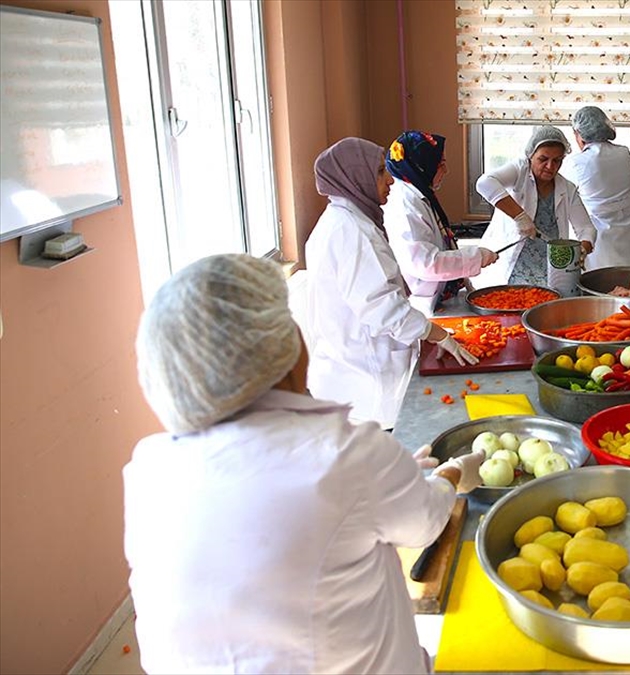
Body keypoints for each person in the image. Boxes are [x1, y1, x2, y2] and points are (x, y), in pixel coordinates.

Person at [126, 253, 487, 674]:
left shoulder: (149, 470)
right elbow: (424, 523)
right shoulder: (347, 456)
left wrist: (396, 472)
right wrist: (452, 473)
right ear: (281, 347)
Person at [304, 137, 476, 430]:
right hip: (365, 381)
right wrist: (435, 333)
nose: (391, 181)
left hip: (354, 370)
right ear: (356, 178)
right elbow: (383, 308)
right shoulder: (352, 233)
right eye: (381, 173)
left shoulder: (345, 221)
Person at [383, 131, 498, 316]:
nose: (446, 171)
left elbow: (440, 244)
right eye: (441, 165)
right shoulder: (404, 204)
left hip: (436, 295)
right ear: (422, 166)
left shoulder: (419, 193)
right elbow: (425, 263)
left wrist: (465, 275)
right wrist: (476, 257)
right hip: (419, 302)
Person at [473, 126, 597, 288]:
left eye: (557, 160)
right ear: (530, 155)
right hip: (514, 264)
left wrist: (584, 248)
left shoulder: (567, 188)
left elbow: (586, 227)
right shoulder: (519, 171)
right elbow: (484, 183)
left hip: (550, 266)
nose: (550, 166)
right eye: (543, 159)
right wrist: (520, 217)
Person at [559, 106, 630, 269]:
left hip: (600, 233)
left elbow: (562, 193)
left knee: (601, 284)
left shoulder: (579, 162)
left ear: (579, 134)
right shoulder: (624, 152)